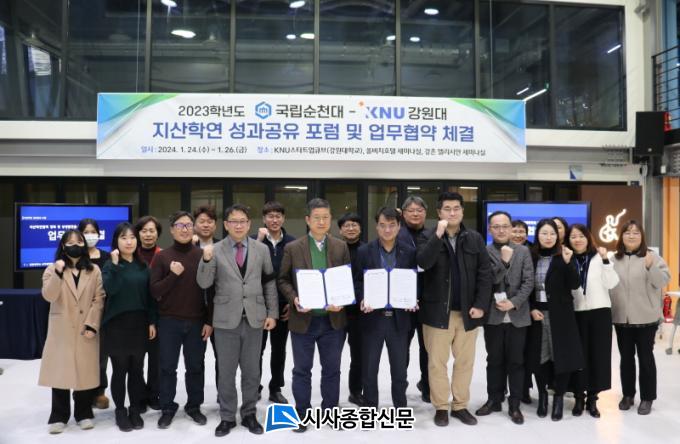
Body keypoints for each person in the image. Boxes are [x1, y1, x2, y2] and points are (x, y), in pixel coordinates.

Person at [198, 204, 278, 437]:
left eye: (243, 221)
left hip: (255, 318)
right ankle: (227, 416)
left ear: (249, 224)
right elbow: (204, 283)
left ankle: (249, 414)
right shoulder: (215, 249)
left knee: (252, 371)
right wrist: (205, 260)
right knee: (226, 372)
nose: (239, 225)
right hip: (225, 320)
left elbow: (269, 283)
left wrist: (272, 313)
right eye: (234, 221)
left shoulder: (261, 249)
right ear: (226, 225)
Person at [417, 191, 492, 427]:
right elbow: (422, 262)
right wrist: (437, 235)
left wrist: (480, 305)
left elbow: (485, 273)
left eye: (456, 208)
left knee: (465, 362)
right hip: (436, 313)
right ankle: (441, 407)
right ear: (439, 212)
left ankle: (460, 406)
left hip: (467, 313)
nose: (452, 212)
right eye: (447, 209)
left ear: (462, 211)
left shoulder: (474, 238)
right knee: (436, 363)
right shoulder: (427, 236)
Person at [278, 198, 350, 432]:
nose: (321, 222)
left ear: (330, 219)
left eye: (325, 217)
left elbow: (345, 280)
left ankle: (331, 412)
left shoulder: (340, 246)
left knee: (332, 370)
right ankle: (302, 414)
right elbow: (283, 280)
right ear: (308, 220)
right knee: (301, 370)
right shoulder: (293, 247)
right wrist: (294, 299)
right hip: (303, 321)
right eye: (316, 217)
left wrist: (341, 301)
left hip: (332, 321)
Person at [150, 211, 213, 429]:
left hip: (197, 322)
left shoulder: (202, 255)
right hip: (169, 321)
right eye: (179, 225)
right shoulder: (162, 257)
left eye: (188, 225)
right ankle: (167, 407)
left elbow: (211, 291)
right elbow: (155, 290)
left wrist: (209, 321)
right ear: (171, 230)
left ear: (193, 228)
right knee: (167, 367)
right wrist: (173, 275)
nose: (184, 229)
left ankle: (194, 406)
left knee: (195, 367)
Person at [39, 230, 105, 434]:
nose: (74, 245)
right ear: (62, 246)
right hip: (62, 329)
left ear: (84, 245)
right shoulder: (52, 269)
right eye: (69, 242)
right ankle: (59, 416)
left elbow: (99, 298)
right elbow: (49, 296)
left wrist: (92, 324)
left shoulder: (94, 270)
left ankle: (83, 413)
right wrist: (58, 273)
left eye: (78, 241)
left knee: (84, 372)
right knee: (60, 372)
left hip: (86, 327)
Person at [354, 207, 417, 408]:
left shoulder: (409, 252)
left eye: (391, 225)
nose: (387, 230)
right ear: (376, 227)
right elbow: (357, 281)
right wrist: (362, 298)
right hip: (372, 318)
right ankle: (370, 407)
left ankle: (400, 407)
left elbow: (415, 280)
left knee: (399, 370)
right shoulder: (364, 251)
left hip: (399, 320)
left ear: (399, 226)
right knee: (369, 369)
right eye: (382, 225)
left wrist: (413, 298)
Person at [475, 211, 533, 425]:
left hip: (518, 315)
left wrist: (514, 302)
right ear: (490, 229)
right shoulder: (484, 251)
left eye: (505, 226)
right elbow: (487, 281)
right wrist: (504, 262)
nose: (501, 230)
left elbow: (529, 282)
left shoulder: (523, 251)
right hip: (493, 315)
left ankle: (515, 403)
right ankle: (494, 399)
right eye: (496, 226)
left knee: (516, 361)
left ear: (511, 228)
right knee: (494, 360)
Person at [101, 222, 158, 431]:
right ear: (116, 241)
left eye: (132, 237)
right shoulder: (110, 265)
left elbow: (150, 298)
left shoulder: (143, 266)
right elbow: (111, 289)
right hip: (116, 325)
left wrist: (152, 321)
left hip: (139, 323)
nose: (129, 242)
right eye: (124, 237)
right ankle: (120, 410)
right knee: (120, 370)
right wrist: (116, 265)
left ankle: (135, 409)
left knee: (136, 370)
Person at [610, 220, 670, 415]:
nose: (631, 236)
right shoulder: (614, 259)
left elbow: (662, 281)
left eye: (636, 232)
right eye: (627, 232)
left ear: (642, 236)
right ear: (621, 236)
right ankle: (628, 395)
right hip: (622, 318)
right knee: (626, 359)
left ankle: (647, 397)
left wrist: (651, 267)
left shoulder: (652, 257)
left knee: (646, 358)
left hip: (646, 318)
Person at [526, 219, 582, 421]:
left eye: (552, 233)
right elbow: (525, 286)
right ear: (537, 235)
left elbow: (574, 284)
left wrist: (567, 263)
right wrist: (531, 309)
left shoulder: (564, 255)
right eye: (544, 233)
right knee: (539, 357)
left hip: (561, 315)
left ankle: (558, 397)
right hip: (537, 315)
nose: (548, 237)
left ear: (557, 236)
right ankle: (542, 395)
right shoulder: (530, 256)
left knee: (561, 356)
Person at [565, 224, 619, 418]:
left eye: (581, 236)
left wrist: (605, 260)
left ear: (588, 238)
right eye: (573, 236)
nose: (577, 239)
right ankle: (579, 397)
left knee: (598, 356)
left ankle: (593, 399)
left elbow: (612, 283)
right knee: (578, 356)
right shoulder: (567, 258)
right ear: (568, 240)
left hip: (599, 312)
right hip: (576, 313)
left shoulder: (599, 257)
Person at [254, 201, 296, 404]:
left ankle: (276, 387)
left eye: (278, 216)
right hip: (257, 305)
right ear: (264, 219)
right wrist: (259, 241)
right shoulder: (253, 241)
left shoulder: (292, 243)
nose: (274, 220)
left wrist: (291, 300)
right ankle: (254, 386)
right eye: (270, 216)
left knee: (279, 350)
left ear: (283, 218)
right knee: (256, 350)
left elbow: (295, 274)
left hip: (283, 305)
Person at [397, 195, 431, 403]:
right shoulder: (396, 234)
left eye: (419, 210)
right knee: (402, 348)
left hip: (428, 300)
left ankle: (427, 386)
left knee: (428, 348)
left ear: (426, 213)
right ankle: (400, 387)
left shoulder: (433, 234)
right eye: (411, 210)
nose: (415, 214)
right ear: (403, 214)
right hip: (403, 302)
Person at [78, 218, 111, 410]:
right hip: (79, 313)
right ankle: (82, 393)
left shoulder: (107, 257)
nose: (90, 235)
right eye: (86, 232)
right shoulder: (75, 257)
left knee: (101, 356)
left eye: (93, 232)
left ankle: (99, 392)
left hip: (102, 312)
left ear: (99, 235)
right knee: (82, 356)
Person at [134, 215, 163, 410]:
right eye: (144, 231)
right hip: (135, 314)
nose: (148, 234)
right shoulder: (130, 255)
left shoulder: (164, 255)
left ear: (157, 234)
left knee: (156, 359)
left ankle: (154, 393)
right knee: (136, 359)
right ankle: (139, 395)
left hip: (159, 315)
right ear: (138, 234)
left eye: (152, 230)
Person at [338, 212, 366, 406]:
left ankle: (355, 392)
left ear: (360, 228)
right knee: (332, 356)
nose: (351, 228)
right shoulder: (333, 249)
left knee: (359, 356)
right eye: (346, 225)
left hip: (360, 313)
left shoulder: (368, 250)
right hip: (336, 312)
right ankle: (330, 393)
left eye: (354, 225)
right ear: (340, 230)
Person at [192, 205, 221, 396]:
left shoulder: (223, 247)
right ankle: (196, 400)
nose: (205, 225)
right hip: (194, 312)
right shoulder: (188, 248)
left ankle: (223, 396)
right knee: (196, 360)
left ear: (216, 225)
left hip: (219, 311)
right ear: (194, 225)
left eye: (209, 221)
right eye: (201, 221)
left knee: (223, 359)